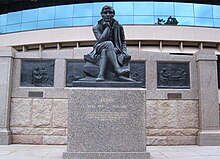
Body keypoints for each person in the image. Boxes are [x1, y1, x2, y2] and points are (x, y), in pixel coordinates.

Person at [84, 5, 130, 81]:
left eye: (110, 13)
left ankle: (101, 75)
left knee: (104, 51)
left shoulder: (119, 26)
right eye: (105, 13)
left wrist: (124, 52)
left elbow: (123, 41)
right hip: (99, 47)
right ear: (101, 14)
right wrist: (107, 28)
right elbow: (100, 40)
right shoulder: (96, 27)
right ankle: (117, 69)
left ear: (113, 14)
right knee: (108, 44)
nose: (108, 15)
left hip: (114, 49)